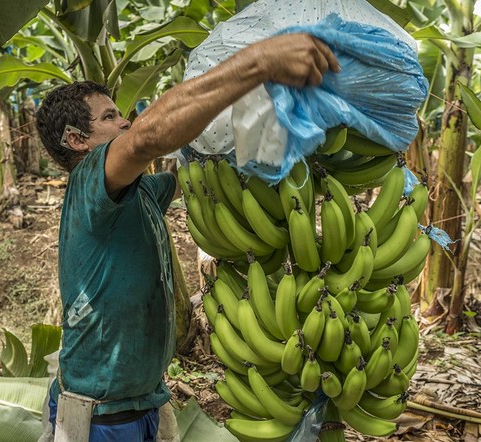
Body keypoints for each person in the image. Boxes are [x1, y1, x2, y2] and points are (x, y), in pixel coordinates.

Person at [34, 33, 340, 442]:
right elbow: (145, 138)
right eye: (109, 117)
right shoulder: (90, 181)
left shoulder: (138, 191)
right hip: (101, 413)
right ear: (77, 140)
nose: (125, 121)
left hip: (145, 398)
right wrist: (257, 62)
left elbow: (182, 177)